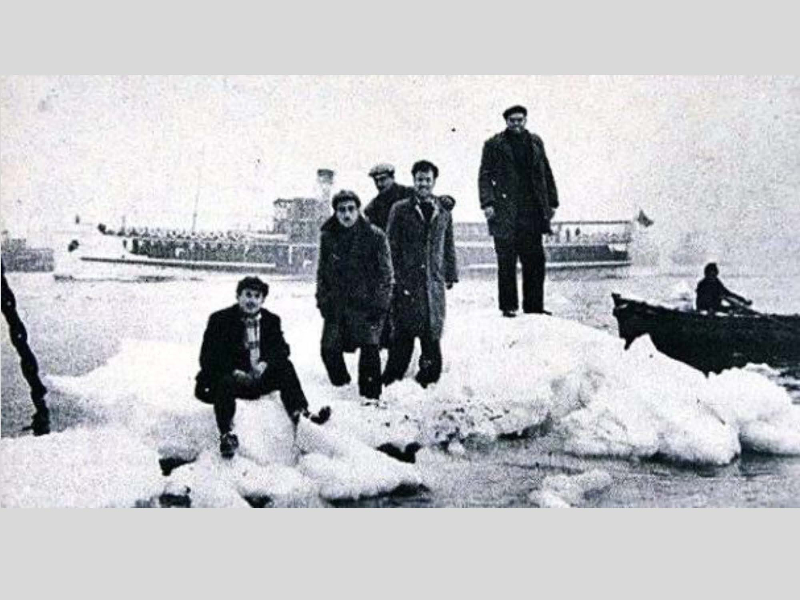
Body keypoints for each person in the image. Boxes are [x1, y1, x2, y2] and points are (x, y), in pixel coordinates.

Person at [195, 276, 330, 459]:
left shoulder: (271, 320)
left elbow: (282, 349)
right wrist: (234, 372)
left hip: (259, 380)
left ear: (262, 300)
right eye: (248, 295)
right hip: (232, 381)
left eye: (257, 296)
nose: (252, 300)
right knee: (223, 381)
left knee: (285, 367)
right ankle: (226, 435)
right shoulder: (220, 320)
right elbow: (208, 357)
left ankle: (301, 414)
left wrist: (264, 363)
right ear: (238, 296)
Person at [382, 160, 458, 388]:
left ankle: (428, 382)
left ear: (434, 182)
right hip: (407, 283)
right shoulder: (400, 209)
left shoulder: (443, 211)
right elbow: (389, 247)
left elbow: (448, 244)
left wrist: (450, 273)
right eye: (419, 180)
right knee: (402, 336)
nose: (423, 184)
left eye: (427, 180)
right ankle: (391, 383)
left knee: (431, 335)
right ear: (413, 181)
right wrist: (391, 277)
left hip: (432, 283)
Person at [478, 104, 559, 317]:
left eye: (520, 120)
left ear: (525, 120)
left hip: (531, 212)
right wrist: (487, 203)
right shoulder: (494, 145)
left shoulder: (535, 142)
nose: (516, 124)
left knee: (535, 260)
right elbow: (484, 176)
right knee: (506, 261)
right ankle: (509, 306)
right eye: (512, 120)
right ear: (506, 121)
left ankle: (534, 306)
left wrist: (552, 202)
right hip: (505, 212)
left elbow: (546, 172)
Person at [316, 190, 394, 399]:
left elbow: (386, 275)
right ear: (335, 213)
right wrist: (323, 301)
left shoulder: (375, 236)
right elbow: (322, 272)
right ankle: (343, 390)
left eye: (351, 209)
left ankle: (371, 399)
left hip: (368, 305)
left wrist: (380, 305)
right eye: (341, 210)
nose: (347, 214)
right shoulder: (328, 236)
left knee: (369, 350)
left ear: (359, 210)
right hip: (338, 304)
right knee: (328, 349)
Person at [363, 163, 415, 232]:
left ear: (392, 178)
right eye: (376, 180)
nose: (379, 184)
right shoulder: (372, 208)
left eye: (382, 179)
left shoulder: (410, 194)